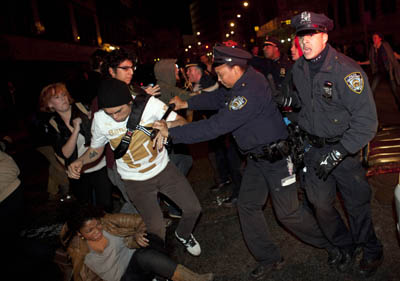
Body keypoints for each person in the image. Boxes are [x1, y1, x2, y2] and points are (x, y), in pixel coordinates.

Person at [153, 45, 336, 280]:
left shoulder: (249, 90)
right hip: (257, 159)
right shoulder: (239, 83)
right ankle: (269, 258)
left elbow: (217, 126)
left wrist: (173, 133)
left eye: (221, 74)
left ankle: (331, 244)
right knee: (248, 205)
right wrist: (188, 102)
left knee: (288, 213)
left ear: (236, 68)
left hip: (277, 159)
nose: (218, 79)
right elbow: (220, 97)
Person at [289, 11, 383, 277]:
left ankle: (372, 249)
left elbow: (366, 123)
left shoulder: (346, 71)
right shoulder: (298, 69)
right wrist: (293, 108)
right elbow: (308, 107)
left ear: (325, 36)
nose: (305, 42)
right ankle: (346, 245)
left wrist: (339, 153)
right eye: (301, 36)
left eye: (312, 35)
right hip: (314, 149)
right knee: (319, 203)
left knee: (357, 205)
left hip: (344, 150)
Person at [67, 78, 203, 257]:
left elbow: (183, 123)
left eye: (118, 111)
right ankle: (159, 268)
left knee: (194, 209)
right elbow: (96, 149)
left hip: (163, 169)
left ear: (129, 101)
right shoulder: (100, 119)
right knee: (156, 230)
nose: (115, 117)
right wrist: (81, 161)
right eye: (110, 113)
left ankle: (183, 234)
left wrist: (167, 125)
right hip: (135, 180)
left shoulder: (149, 105)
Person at [60, 203, 213, 281]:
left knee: (148, 244)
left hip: (137, 263)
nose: (97, 231)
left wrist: (138, 234)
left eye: (97, 225)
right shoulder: (76, 251)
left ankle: (192, 279)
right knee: (145, 256)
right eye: (90, 231)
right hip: (122, 279)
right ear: (79, 234)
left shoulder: (108, 222)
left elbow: (140, 221)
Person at [39, 83, 114, 212]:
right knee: (85, 207)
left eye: (64, 95)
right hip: (77, 171)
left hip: (99, 164)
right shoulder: (53, 124)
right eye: (57, 97)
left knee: (105, 205)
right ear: (49, 104)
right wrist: (76, 130)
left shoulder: (83, 107)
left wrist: (94, 119)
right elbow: (65, 154)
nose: (63, 98)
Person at [359, 32, 400, 110]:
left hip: (388, 70)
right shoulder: (372, 49)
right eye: (373, 38)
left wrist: (396, 66)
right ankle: (371, 107)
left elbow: (392, 56)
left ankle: (399, 104)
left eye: (375, 37)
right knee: (372, 89)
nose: (373, 39)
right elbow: (371, 61)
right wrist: (361, 63)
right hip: (379, 72)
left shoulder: (385, 46)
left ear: (380, 38)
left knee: (394, 90)